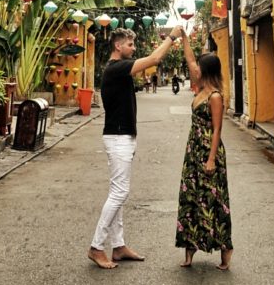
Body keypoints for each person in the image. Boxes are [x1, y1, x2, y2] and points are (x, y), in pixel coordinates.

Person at [88, 24, 184, 270]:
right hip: (118, 138)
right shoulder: (117, 68)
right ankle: (96, 247)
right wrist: (172, 37)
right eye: (129, 45)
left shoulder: (119, 70)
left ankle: (118, 246)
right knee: (119, 193)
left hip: (122, 137)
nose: (133, 48)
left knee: (117, 193)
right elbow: (155, 58)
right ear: (118, 46)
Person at [175, 30, 233, 271]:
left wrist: (211, 160)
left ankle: (225, 254)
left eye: (199, 67)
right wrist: (184, 38)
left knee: (214, 200)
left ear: (206, 71)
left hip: (210, 151)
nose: (194, 69)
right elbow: (189, 59)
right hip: (193, 151)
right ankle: (189, 253)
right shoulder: (199, 89)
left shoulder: (215, 96)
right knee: (190, 200)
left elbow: (218, 130)